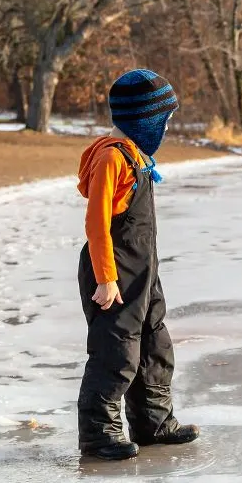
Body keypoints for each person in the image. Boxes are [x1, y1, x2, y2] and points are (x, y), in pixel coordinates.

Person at [75, 69, 199, 461]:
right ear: (144, 119)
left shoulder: (135, 156)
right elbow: (97, 223)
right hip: (113, 271)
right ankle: (99, 435)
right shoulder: (112, 158)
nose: (167, 127)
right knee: (116, 353)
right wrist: (106, 278)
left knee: (154, 345)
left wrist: (149, 273)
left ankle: (153, 423)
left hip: (142, 270)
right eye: (165, 119)